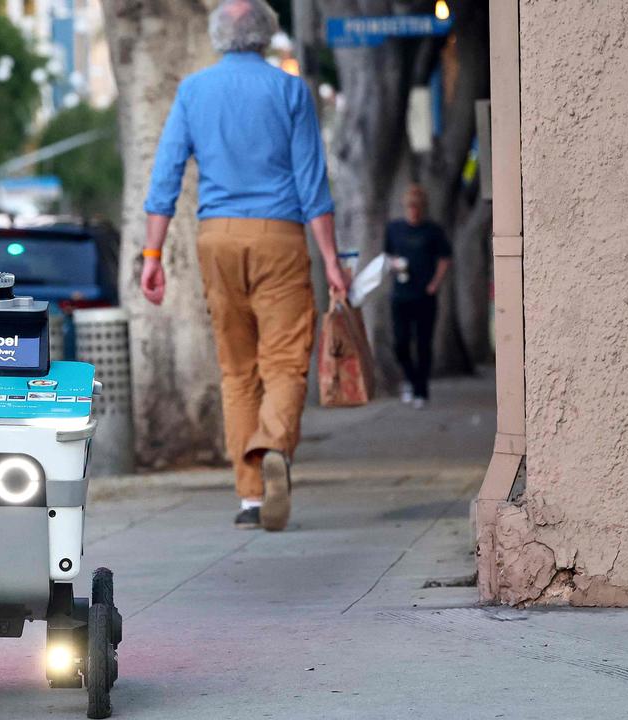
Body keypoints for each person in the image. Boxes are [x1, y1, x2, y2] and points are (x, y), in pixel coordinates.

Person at [140, 0, 347, 532]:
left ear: (218, 36)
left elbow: (165, 177)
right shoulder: (290, 90)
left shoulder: (192, 91)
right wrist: (332, 262)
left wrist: (153, 255)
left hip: (217, 237)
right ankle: (272, 445)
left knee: (236, 369)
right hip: (279, 236)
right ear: (266, 35)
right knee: (284, 361)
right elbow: (312, 184)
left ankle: (251, 496)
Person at [385, 185, 451, 409]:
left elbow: (444, 258)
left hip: (424, 295)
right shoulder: (394, 229)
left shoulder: (432, 231)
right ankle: (411, 381)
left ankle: (421, 390)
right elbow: (387, 255)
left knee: (423, 344)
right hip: (400, 295)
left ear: (422, 209)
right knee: (401, 343)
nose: (413, 211)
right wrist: (394, 265)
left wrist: (435, 283)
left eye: (417, 208)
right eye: (410, 207)